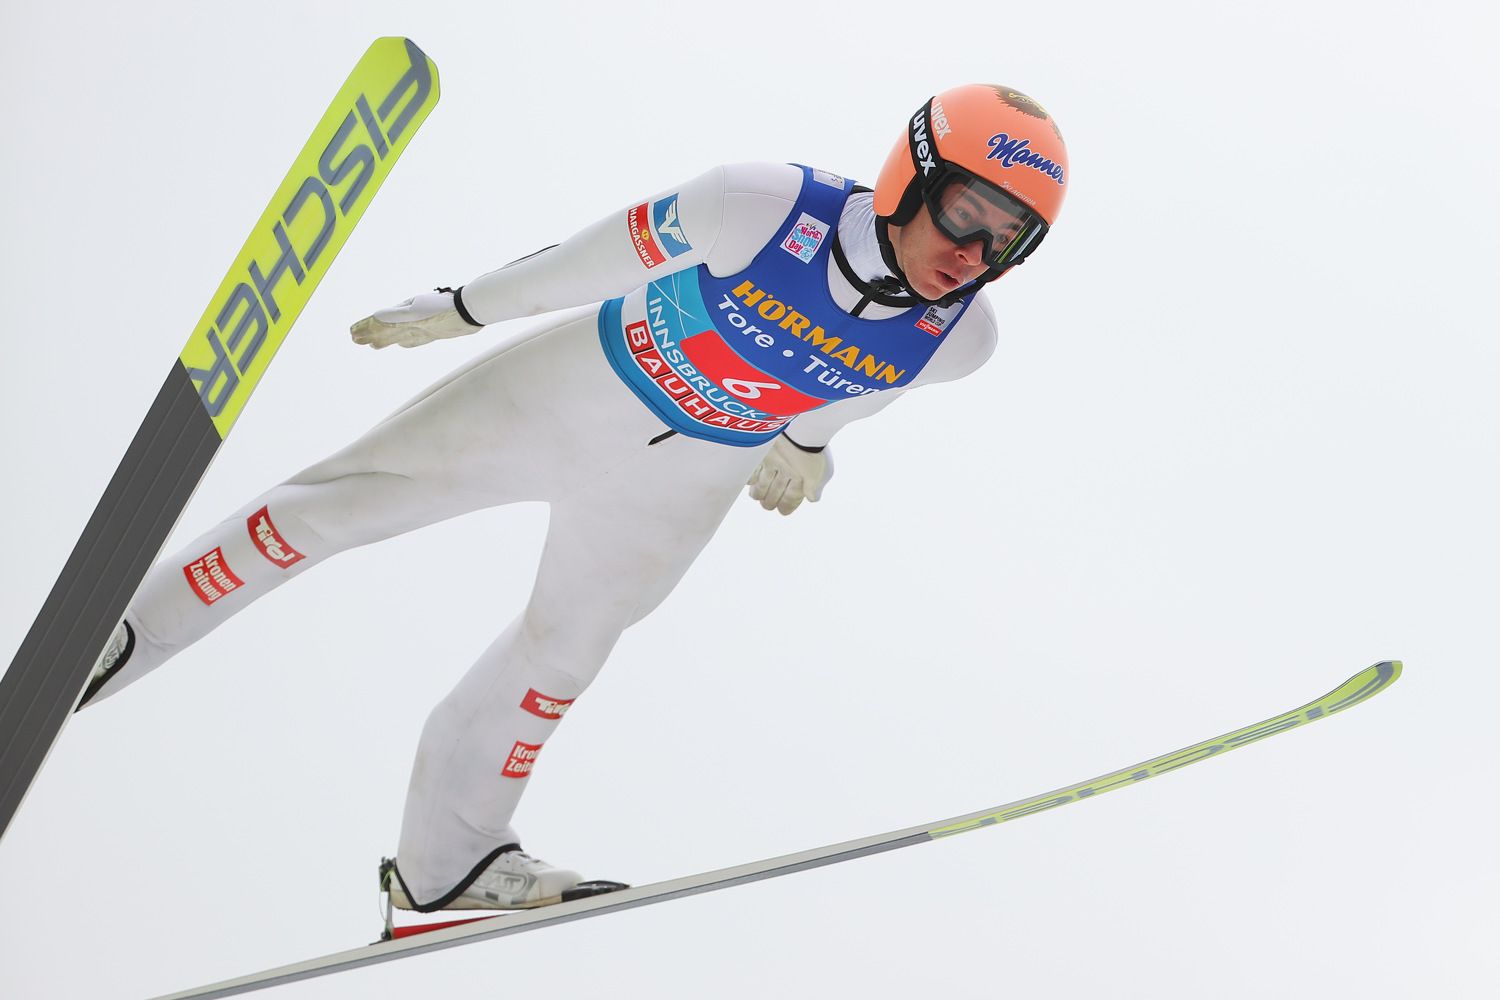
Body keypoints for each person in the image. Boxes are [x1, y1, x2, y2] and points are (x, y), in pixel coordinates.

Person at [77, 84, 1069, 915]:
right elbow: (591, 260)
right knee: (338, 506)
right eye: (965, 214)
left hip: (684, 483)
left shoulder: (962, 339)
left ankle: (447, 863)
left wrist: (807, 444)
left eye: (1006, 240)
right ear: (910, 178)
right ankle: (119, 636)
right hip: (576, 391)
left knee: (562, 657)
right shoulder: (762, 204)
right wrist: (465, 307)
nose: (972, 254)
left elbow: (867, 383)